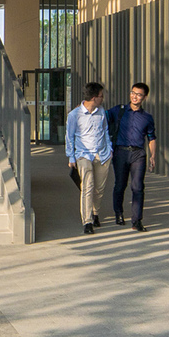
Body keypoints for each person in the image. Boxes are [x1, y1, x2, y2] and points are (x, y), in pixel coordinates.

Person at [64, 82, 112, 234]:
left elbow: (105, 130)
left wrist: (110, 148)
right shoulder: (74, 115)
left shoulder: (101, 111)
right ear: (93, 98)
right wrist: (71, 157)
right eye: (100, 96)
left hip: (102, 154)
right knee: (87, 187)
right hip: (83, 155)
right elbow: (69, 137)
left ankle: (95, 212)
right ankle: (87, 221)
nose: (102, 98)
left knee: (99, 189)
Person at [109, 81, 156, 232]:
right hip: (121, 152)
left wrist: (152, 156)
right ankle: (119, 213)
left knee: (138, 187)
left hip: (138, 154)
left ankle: (137, 221)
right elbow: (101, 117)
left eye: (139, 94)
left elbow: (152, 138)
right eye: (133, 93)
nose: (135, 97)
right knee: (120, 185)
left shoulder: (147, 117)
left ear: (145, 97)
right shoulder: (119, 110)